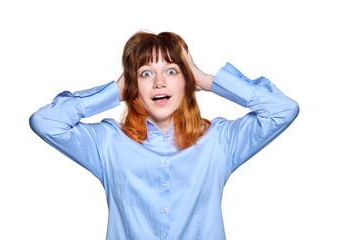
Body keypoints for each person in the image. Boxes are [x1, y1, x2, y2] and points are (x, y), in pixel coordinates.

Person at [29, 30, 299, 240]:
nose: (159, 82)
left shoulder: (219, 141)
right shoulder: (108, 143)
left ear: (186, 81)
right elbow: (46, 122)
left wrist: (205, 79)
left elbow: (282, 110)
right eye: (146, 73)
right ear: (133, 85)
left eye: (172, 71)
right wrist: (114, 91)